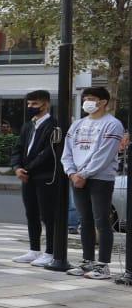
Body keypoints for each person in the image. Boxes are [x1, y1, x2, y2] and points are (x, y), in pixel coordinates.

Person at [60, 86, 125, 280]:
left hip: (100, 179)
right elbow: (67, 152)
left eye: (93, 98)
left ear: (104, 101)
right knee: (84, 220)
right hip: (77, 178)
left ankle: (103, 265)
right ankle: (87, 261)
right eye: (86, 98)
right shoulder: (77, 125)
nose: (88, 101)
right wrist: (72, 173)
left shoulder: (113, 124)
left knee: (102, 221)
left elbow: (104, 154)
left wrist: (85, 174)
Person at [11, 90, 60, 267]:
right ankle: (34, 250)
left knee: (47, 215)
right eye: (29, 104)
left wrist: (27, 169)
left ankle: (50, 252)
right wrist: (17, 167)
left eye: (34, 104)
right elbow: (17, 148)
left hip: (45, 177)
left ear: (46, 104)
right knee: (31, 213)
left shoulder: (54, 125)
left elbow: (48, 152)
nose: (30, 107)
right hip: (27, 177)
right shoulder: (28, 126)